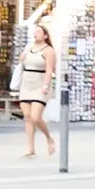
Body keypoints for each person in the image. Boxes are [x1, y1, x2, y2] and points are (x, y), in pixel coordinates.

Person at [16, 23, 57, 159]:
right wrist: (22, 57)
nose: (35, 34)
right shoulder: (29, 47)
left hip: (40, 84)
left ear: (45, 36)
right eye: (35, 32)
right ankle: (30, 148)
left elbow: (49, 69)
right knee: (27, 117)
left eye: (39, 32)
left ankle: (49, 137)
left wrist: (46, 85)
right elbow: (21, 62)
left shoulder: (49, 50)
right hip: (26, 83)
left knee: (36, 117)